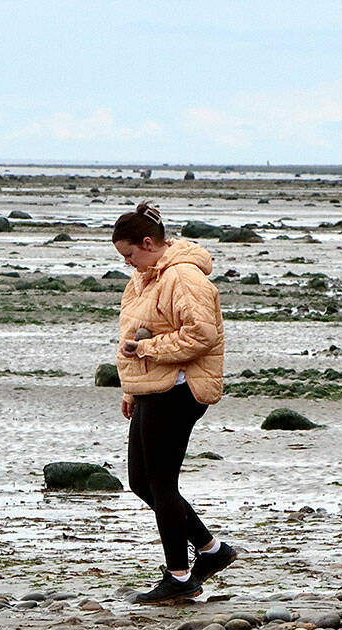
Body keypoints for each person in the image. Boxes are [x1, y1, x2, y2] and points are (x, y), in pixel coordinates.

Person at [112, 201, 237, 603]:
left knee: (162, 483)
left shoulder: (183, 277)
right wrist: (131, 388)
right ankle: (211, 550)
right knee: (139, 482)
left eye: (129, 255)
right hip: (153, 388)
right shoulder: (145, 278)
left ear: (148, 243)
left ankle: (180, 577)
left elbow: (202, 335)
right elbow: (132, 335)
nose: (129, 264)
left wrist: (147, 349)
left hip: (180, 390)